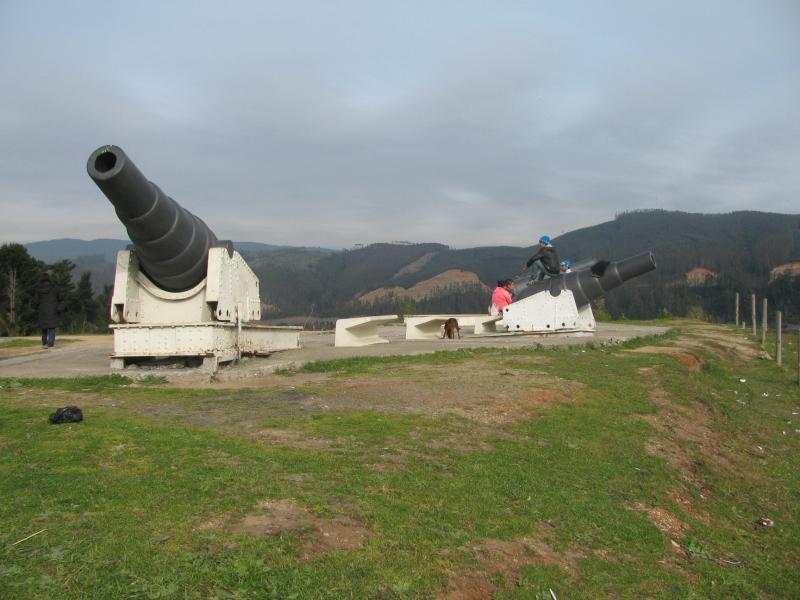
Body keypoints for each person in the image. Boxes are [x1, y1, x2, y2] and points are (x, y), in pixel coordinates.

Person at [33, 273, 63, 349]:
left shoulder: (38, 289)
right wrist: (59, 307)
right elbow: (61, 298)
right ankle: (50, 343)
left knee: (44, 328)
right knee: (52, 327)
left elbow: (36, 301)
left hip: (42, 310)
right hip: (53, 310)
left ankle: (44, 343)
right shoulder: (55, 288)